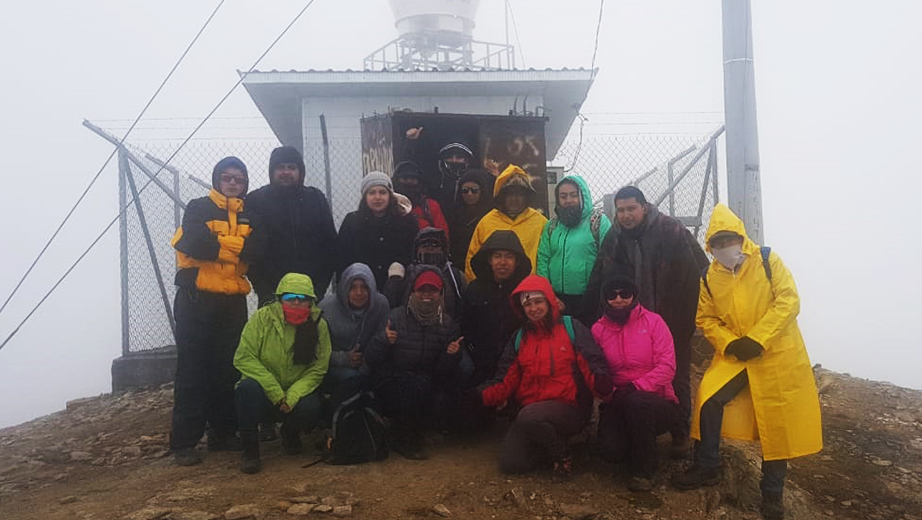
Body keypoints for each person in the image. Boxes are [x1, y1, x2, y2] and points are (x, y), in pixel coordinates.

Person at [672, 204, 822, 520]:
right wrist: (731, 343)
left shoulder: (767, 261)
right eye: (717, 242)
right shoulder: (709, 275)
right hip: (736, 355)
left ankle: (772, 496)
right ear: (709, 245)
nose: (725, 247)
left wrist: (759, 338)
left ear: (741, 237)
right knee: (708, 399)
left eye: (729, 239)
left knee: (776, 427)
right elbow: (707, 318)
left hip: (778, 354)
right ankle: (707, 465)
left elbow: (788, 300)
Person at [583, 185, 708, 456]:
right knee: (631, 375)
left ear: (644, 207)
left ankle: (680, 432)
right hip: (629, 320)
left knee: (676, 376)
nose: (626, 215)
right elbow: (600, 276)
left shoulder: (670, 230)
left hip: (672, 318)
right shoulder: (614, 238)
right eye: (621, 210)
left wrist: (686, 321)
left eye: (631, 209)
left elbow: (696, 272)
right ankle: (634, 428)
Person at [168, 156, 265, 466]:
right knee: (192, 370)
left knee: (228, 369)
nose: (233, 182)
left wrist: (219, 245)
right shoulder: (198, 207)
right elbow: (191, 242)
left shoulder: (250, 214)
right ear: (217, 179)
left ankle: (223, 433)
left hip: (231, 302)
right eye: (227, 177)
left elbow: (258, 250)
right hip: (196, 298)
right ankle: (184, 442)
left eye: (239, 178)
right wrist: (235, 247)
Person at [476, 275, 612, 482]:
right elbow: (505, 378)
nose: (533, 308)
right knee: (512, 464)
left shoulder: (571, 327)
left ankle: (562, 456)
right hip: (531, 411)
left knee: (529, 416)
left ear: (549, 301)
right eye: (527, 304)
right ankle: (556, 443)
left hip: (569, 407)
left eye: (538, 301)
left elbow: (592, 363)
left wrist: (601, 384)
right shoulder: (520, 337)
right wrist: (479, 397)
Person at [233, 273, 331, 474]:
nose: (296, 302)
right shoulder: (261, 318)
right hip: (264, 391)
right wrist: (275, 392)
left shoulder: (319, 325)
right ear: (280, 299)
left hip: (294, 392)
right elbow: (244, 357)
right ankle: (250, 451)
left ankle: (290, 432)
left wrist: (292, 396)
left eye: (303, 298)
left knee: (312, 407)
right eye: (290, 298)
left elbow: (318, 368)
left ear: (311, 301)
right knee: (246, 389)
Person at [592, 276, 679, 492]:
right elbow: (595, 369)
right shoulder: (597, 330)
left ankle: (644, 472)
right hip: (617, 399)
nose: (619, 299)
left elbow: (667, 366)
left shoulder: (654, 322)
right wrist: (607, 391)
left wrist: (636, 387)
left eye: (625, 293)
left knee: (638, 403)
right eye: (612, 294)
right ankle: (636, 442)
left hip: (657, 400)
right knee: (610, 452)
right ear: (605, 298)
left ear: (634, 295)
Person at [365, 268, 463, 460]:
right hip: (393, 379)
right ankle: (404, 439)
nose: (427, 294)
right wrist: (383, 341)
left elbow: (442, 371)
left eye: (433, 290)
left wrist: (451, 355)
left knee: (442, 391)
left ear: (440, 293)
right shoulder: (395, 317)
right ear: (413, 291)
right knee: (412, 389)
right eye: (422, 290)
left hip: (426, 380)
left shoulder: (448, 324)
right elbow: (371, 358)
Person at [246, 146, 337, 305]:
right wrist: (265, 292)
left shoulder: (316, 198)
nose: (286, 172)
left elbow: (331, 247)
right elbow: (250, 252)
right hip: (271, 296)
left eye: (291, 167)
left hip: (309, 294)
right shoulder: (256, 201)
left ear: (300, 171)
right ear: (272, 171)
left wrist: (318, 290)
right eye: (280, 167)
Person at [461, 230, 531, 388]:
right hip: (479, 363)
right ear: (489, 260)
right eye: (497, 256)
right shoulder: (475, 289)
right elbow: (465, 325)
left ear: (517, 261)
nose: (503, 262)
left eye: (509, 256)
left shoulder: (525, 291)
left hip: (517, 363)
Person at [536, 175, 612, 320]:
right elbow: (543, 259)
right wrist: (547, 294)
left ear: (583, 196)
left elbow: (609, 259)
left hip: (591, 299)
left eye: (573, 195)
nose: (568, 200)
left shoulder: (598, 222)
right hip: (556, 299)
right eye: (563, 196)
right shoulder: (551, 226)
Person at [318, 262, 390, 410]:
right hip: (333, 365)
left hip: (369, 361)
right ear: (344, 288)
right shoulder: (326, 308)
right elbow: (316, 351)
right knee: (352, 378)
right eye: (352, 287)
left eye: (364, 287)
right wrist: (343, 358)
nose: (359, 293)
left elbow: (380, 339)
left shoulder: (381, 304)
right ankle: (334, 413)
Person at [337, 172, 419, 291]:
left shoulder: (407, 221)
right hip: (363, 291)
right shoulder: (352, 222)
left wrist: (401, 264)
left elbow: (414, 253)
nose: (377, 197)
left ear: (390, 195)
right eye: (372, 192)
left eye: (382, 192)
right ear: (365, 196)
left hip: (399, 287)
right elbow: (342, 259)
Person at [465, 165, 547, 281]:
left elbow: (548, 258)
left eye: (519, 194)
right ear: (502, 196)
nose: (514, 198)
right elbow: (472, 258)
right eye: (510, 194)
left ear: (526, 196)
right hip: (493, 288)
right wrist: (476, 289)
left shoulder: (540, 222)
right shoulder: (487, 222)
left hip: (528, 290)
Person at [383, 227, 466, 322]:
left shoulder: (456, 277)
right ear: (416, 249)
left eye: (435, 244)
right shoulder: (403, 275)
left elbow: (463, 310)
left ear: (443, 249)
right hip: (406, 332)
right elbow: (390, 306)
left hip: (445, 332)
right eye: (424, 244)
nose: (430, 248)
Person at [392, 161, 450, 239]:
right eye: (404, 178)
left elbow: (443, 236)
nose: (409, 182)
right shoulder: (389, 205)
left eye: (413, 179)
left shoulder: (431, 206)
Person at [449, 169, 493, 265]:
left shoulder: (491, 216)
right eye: (465, 190)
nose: (469, 194)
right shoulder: (454, 215)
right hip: (458, 265)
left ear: (482, 191)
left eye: (474, 190)